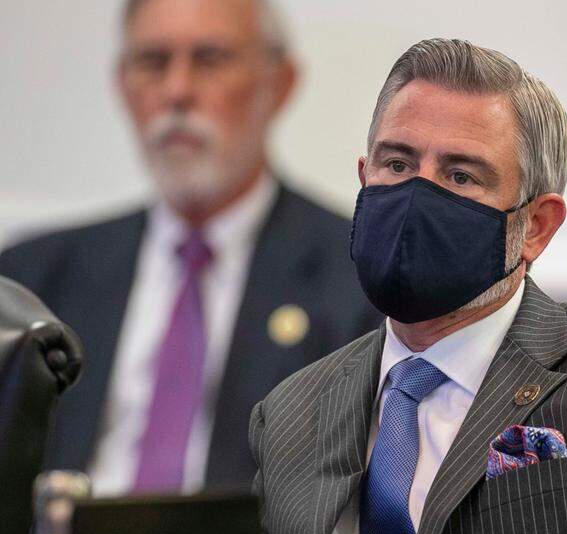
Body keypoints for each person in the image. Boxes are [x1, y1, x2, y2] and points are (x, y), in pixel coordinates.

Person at [250, 39, 567, 534]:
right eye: (397, 164)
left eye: (460, 177)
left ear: (537, 225)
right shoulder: (289, 413)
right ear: (363, 177)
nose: (416, 196)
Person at [0, 0, 376, 496]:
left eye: (210, 59)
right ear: (122, 86)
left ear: (279, 84)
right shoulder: (32, 280)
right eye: (153, 62)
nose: (176, 91)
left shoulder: (357, 277)